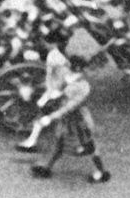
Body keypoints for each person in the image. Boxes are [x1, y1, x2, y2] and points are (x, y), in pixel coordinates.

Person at [25, 46, 107, 182]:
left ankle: (101, 171)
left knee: (89, 147)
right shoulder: (69, 76)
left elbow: (70, 107)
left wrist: (51, 117)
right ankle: (47, 167)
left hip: (78, 121)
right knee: (59, 143)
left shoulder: (83, 87)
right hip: (66, 120)